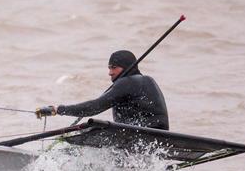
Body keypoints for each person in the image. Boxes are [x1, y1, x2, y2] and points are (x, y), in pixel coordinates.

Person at [36, 50, 170, 130]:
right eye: (109, 68)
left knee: (86, 134)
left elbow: (93, 107)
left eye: (113, 67)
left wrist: (58, 109)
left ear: (126, 67)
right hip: (160, 139)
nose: (110, 73)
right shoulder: (147, 80)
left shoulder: (127, 82)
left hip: (139, 137)